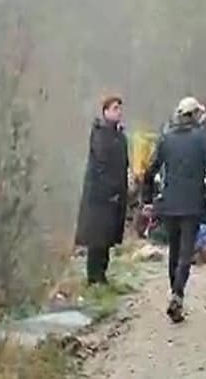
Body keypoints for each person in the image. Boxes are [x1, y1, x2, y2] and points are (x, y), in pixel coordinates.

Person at [142, 97, 206, 323]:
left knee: (174, 250)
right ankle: (178, 293)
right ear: (194, 115)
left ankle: (174, 292)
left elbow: (150, 169)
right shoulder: (202, 138)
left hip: (170, 202)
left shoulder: (166, 138)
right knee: (186, 251)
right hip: (193, 202)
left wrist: (147, 198)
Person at [75, 96, 129, 285]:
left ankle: (102, 274)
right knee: (97, 239)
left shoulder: (119, 135)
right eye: (115, 108)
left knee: (107, 238)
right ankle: (93, 276)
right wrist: (111, 189)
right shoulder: (100, 134)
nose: (119, 112)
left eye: (120, 108)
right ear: (105, 111)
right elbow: (101, 165)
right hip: (99, 197)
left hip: (115, 196)